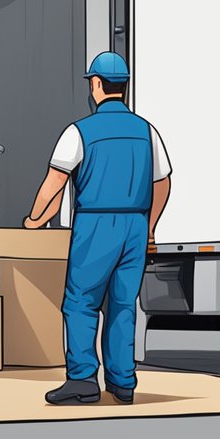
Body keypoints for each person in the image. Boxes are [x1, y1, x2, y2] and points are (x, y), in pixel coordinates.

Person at [24, 51, 172, 405]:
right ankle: (123, 383)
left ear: (96, 85)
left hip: (96, 224)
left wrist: (33, 220)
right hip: (135, 225)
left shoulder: (79, 131)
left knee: (81, 303)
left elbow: (54, 183)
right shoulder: (147, 130)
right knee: (123, 304)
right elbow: (163, 183)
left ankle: (83, 381)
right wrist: (149, 227)